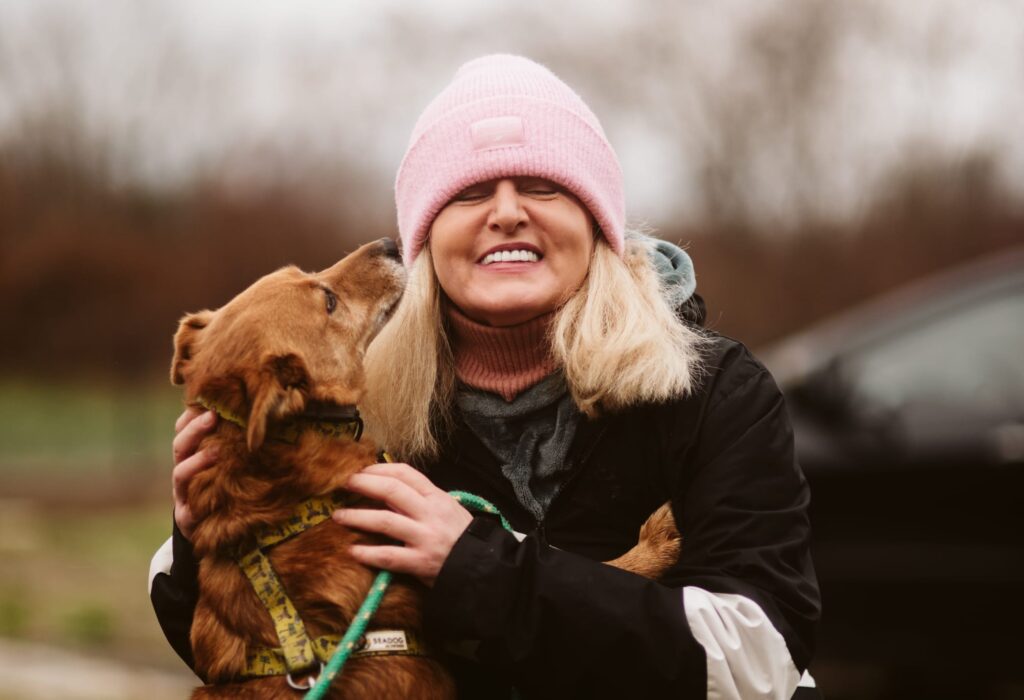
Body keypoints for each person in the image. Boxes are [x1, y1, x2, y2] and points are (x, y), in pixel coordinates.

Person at [150, 54, 820, 699]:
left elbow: (760, 666)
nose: (505, 212)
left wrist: (478, 569)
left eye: (542, 186)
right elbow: (265, 665)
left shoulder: (716, 391)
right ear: (426, 240)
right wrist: (206, 532)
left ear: (596, 224)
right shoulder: (357, 409)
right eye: (469, 193)